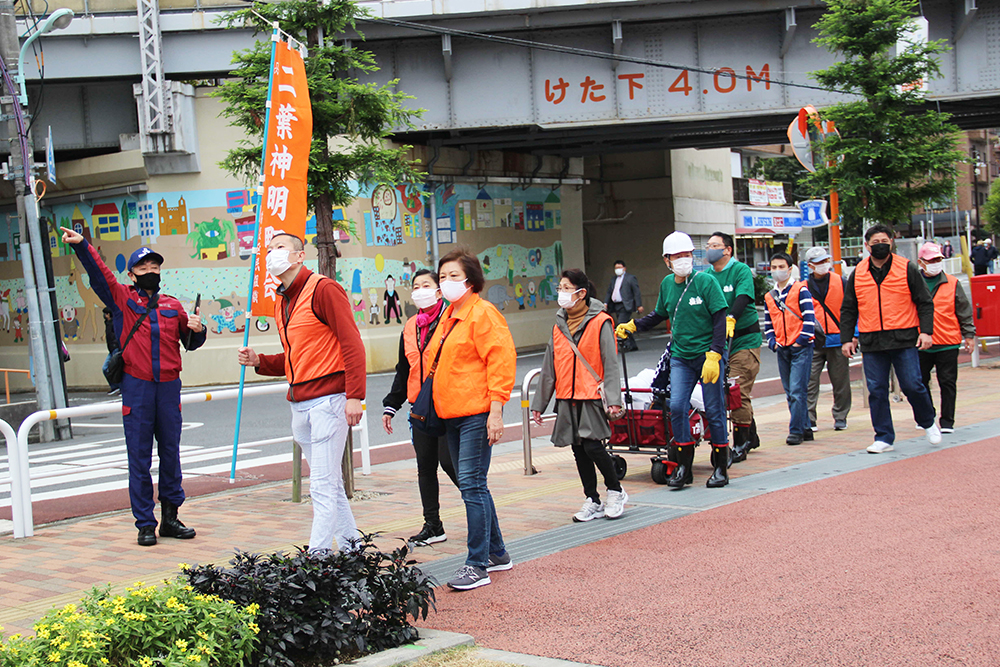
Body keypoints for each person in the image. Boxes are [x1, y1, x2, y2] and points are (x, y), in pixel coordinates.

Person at [61, 226, 205, 547]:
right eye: (143, 268)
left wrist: (199, 328)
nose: (151, 272)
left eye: (155, 267)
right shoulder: (122, 299)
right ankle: (144, 524)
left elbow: (191, 342)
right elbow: (101, 277)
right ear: (132, 274)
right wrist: (83, 246)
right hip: (137, 387)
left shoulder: (173, 306)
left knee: (171, 453)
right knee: (139, 457)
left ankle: (170, 518)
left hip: (169, 388)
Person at [238, 233, 366, 552]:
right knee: (330, 486)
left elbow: (352, 344)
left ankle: (316, 561)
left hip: (329, 402)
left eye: (280, 248)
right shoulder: (282, 302)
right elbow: (296, 355)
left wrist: (354, 395)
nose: (272, 254)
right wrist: (260, 362)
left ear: (299, 256)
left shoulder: (324, 289)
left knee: (321, 487)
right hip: (300, 405)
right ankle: (354, 552)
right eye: (269, 249)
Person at [429, 248, 516, 590]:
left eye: (454, 275)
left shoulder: (483, 314)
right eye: (442, 277)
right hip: (452, 412)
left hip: (476, 413)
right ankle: (497, 553)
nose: (446, 282)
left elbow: (500, 362)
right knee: (474, 484)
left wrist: (496, 411)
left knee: (472, 484)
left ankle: (477, 564)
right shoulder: (450, 314)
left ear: (471, 278)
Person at [616, 231, 730, 489]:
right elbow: (659, 313)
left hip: (708, 356)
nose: (683, 260)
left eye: (687, 255)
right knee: (677, 407)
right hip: (680, 356)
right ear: (667, 260)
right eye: (677, 256)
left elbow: (719, 318)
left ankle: (721, 467)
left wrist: (715, 353)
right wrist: (634, 325)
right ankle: (684, 468)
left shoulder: (706, 282)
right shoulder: (668, 284)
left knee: (714, 409)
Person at [531, 269, 626, 523]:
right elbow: (549, 366)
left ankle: (616, 490)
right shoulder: (558, 326)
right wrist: (539, 404)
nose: (561, 293)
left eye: (566, 288)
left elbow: (610, 362)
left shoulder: (601, 321)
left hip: (592, 394)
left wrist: (614, 400)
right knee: (578, 449)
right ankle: (592, 499)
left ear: (581, 293)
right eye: (560, 288)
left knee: (594, 446)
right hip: (566, 396)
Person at [840, 224, 941, 453]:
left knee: (913, 385)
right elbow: (849, 308)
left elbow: (925, 302)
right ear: (866, 246)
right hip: (872, 340)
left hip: (904, 338)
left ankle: (927, 422)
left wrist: (926, 332)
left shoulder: (906, 268)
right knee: (876, 390)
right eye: (875, 243)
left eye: (884, 241)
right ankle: (884, 436)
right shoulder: (858, 273)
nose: (880, 246)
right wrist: (848, 338)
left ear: (892, 242)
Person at [382, 269, 459, 546]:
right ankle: (433, 525)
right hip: (420, 407)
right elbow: (404, 369)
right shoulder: (410, 326)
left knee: (452, 464)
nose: (420, 290)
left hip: (449, 406)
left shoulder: (451, 320)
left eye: (426, 285)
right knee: (425, 467)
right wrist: (392, 405)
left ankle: (482, 517)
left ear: (439, 291)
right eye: (416, 286)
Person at [705, 232, 762, 462]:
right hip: (719, 342)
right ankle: (751, 434)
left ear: (727, 249)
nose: (710, 249)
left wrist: (731, 317)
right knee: (725, 391)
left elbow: (743, 297)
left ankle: (741, 443)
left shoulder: (740, 271)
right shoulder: (707, 276)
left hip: (743, 339)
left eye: (714, 245)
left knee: (736, 390)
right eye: (708, 245)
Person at [917, 242, 976, 434]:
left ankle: (948, 421)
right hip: (921, 343)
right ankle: (927, 416)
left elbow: (963, 311)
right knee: (919, 383)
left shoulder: (952, 283)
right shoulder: (913, 283)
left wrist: (969, 335)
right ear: (921, 262)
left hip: (948, 342)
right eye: (931, 260)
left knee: (948, 383)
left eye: (938, 259)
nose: (936, 263)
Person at [764, 253, 816, 445]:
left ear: (790, 268)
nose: (777, 271)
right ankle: (806, 428)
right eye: (774, 267)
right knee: (790, 391)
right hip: (782, 348)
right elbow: (769, 323)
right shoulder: (770, 296)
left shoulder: (800, 290)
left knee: (796, 390)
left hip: (800, 347)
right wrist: (772, 341)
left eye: (781, 267)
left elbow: (809, 319)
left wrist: (800, 341)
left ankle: (795, 431)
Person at [804, 247, 851, 432]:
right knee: (809, 381)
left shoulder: (842, 282)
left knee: (841, 382)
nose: (823, 265)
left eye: (825, 261)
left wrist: (852, 336)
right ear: (810, 266)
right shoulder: (803, 287)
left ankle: (840, 416)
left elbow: (851, 310)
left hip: (837, 339)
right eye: (818, 263)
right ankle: (809, 418)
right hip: (813, 340)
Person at [605, 259, 643, 325]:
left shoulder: (630, 278)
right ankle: (630, 335)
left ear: (624, 268)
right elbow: (609, 291)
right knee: (625, 324)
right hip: (616, 305)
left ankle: (621, 335)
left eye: (619, 268)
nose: (617, 269)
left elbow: (636, 292)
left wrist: (639, 305)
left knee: (621, 323)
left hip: (625, 305)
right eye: (616, 268)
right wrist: (606, 303)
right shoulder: (613, 279)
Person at [102, 307, 121, 396]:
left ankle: (121, 388)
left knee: (117, 369)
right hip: (111, 349)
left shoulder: (114, 323)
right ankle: (115, 386)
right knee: (105, 368)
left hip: (116, 349)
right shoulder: (108, 323)